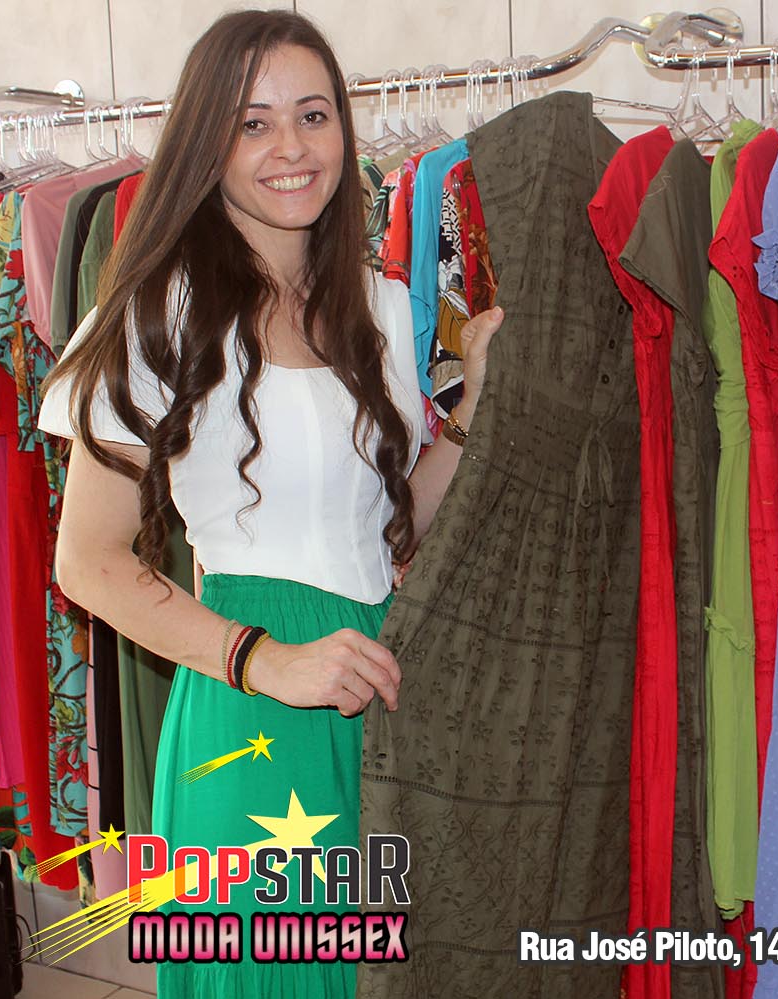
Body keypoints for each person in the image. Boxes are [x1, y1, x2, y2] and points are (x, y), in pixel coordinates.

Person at [37, 9, 501, 996]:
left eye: (313, 115)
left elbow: (391, 531)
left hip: (378, 701)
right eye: (253, 123)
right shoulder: (159, 313)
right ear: (207, 144)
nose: (291, 147)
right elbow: (88, 560)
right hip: (251, 717)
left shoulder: (383, 309)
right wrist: (267, 659)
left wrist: (468, 408)